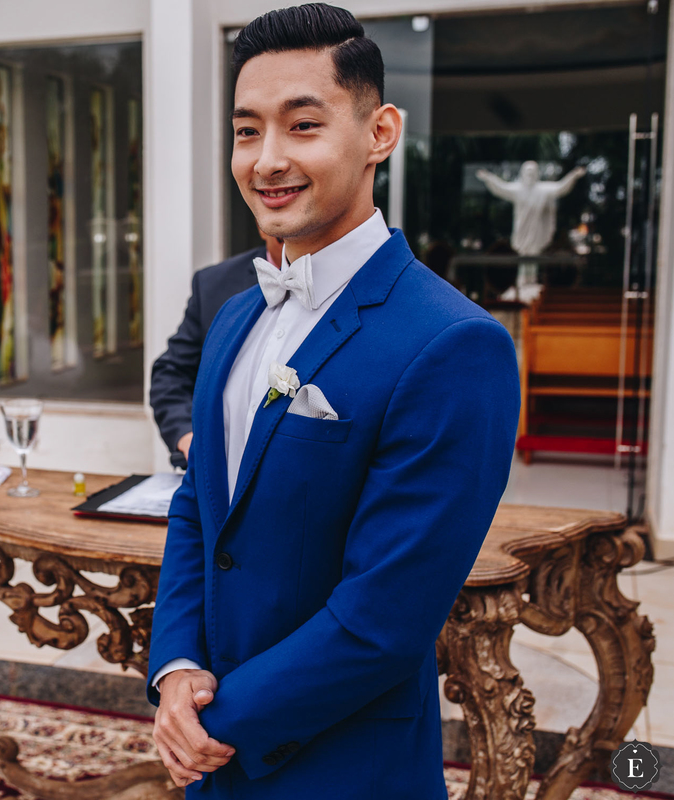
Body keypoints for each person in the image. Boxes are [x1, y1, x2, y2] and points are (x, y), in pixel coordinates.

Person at [146, 6, 520, 799]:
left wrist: (216, 722)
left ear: (380, 132)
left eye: (303, 125)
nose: (266, 160)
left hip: (347, 765)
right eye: (247, 131)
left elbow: (384, 621)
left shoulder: (455, 344)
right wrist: (176, 669)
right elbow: (198, 509)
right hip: (210, 759)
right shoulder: (236, 312)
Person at [150, 232, 282, 468]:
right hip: (220, 468)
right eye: (281, 236)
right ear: (261, 228)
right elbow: (171, 373)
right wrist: (187, 436)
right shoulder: (214, 283)